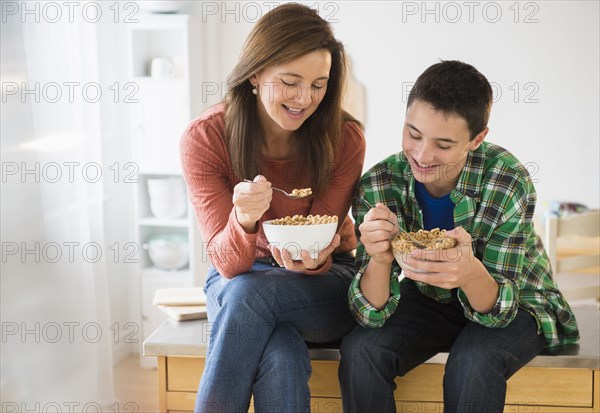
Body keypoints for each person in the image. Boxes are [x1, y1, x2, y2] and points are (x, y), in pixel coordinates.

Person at [339, 60, 579, 413]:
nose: (422, 155)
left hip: (515, 299)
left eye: (444, 144)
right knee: (361, 352)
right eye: (413, 134)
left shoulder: (507, 179)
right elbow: (371, 314)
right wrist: (379, 258)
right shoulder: (380, 183)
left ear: (477, 139)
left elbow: (497, 312)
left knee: (472, 361)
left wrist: (468, 273)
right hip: (433, 297)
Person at [180, 3, 366, 412]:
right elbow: (227, 264)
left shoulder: (345, 137)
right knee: (279, 351)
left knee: (248, 298)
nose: (305, 98)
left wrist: (312, 259)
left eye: (319, 85)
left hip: (323, 282)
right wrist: (243, 218)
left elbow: (324, 234)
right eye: (290, 82)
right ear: (255, 72)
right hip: (239, 278)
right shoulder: (207, 137)